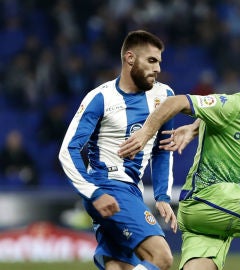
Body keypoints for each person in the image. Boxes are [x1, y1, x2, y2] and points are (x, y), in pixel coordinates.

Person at [119, 72, 240, 270]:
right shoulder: (230, 106)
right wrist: (144, 134)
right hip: (205, 198)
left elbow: (214, 117)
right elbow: (174, 102)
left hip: (212, 214)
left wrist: (193, 127)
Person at [59, 30, 178, 270]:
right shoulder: (100, 98)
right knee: (162, 258)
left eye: (159, 62)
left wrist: (162, 195)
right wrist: (94, 192)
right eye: (151, 61)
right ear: (130, 58)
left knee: (119, 267)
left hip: (131, 190)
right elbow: (68, 150)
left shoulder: (164, 96)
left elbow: (163, 149)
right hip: (108, 188)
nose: (157, 68)